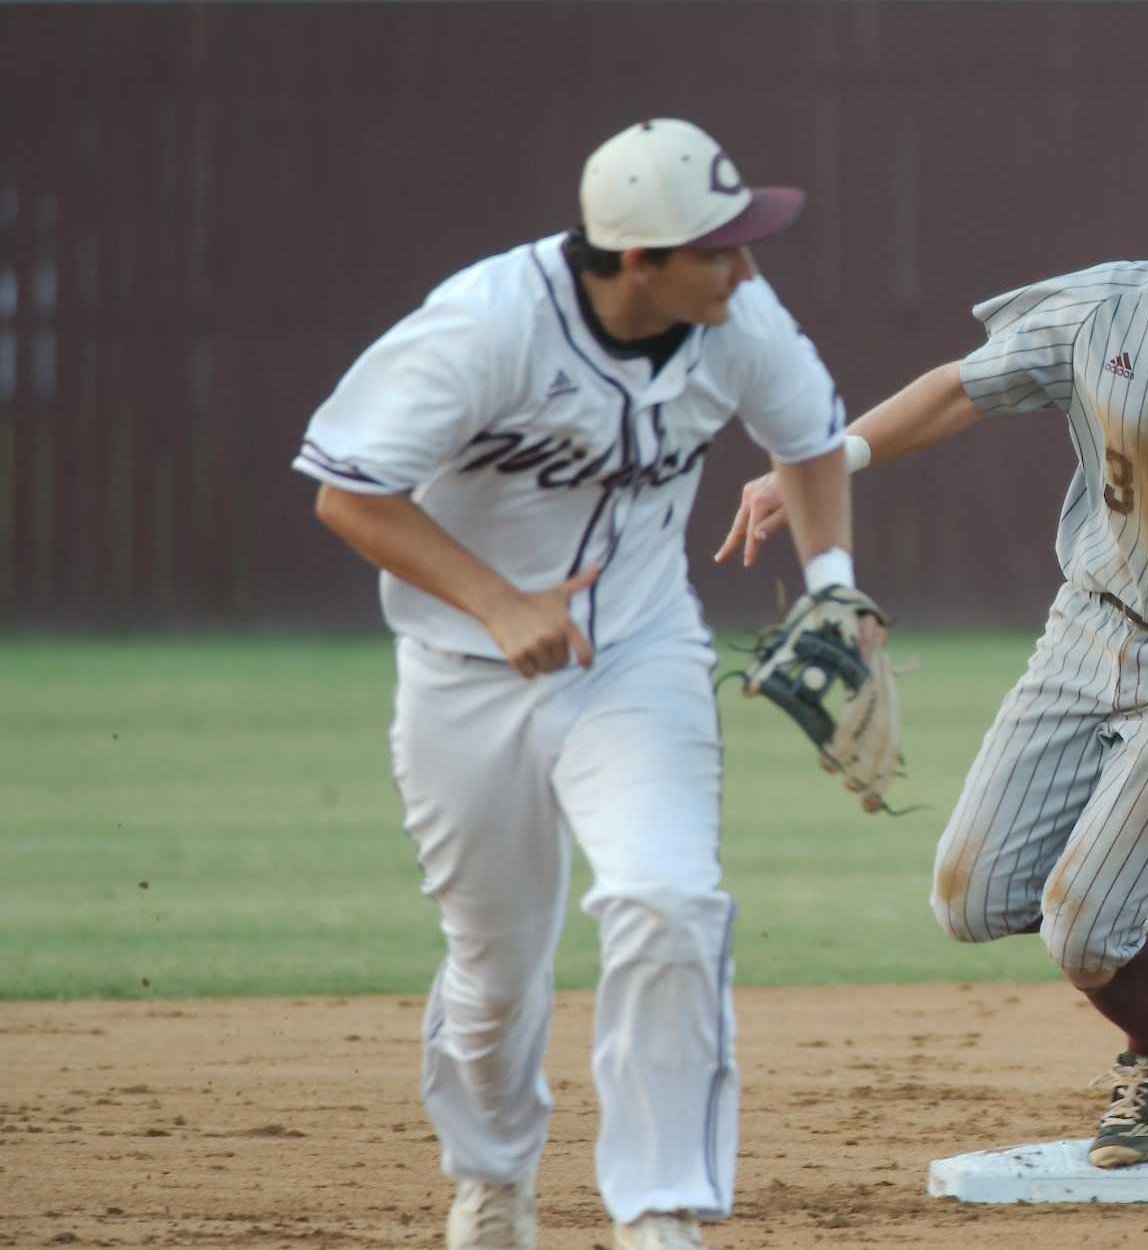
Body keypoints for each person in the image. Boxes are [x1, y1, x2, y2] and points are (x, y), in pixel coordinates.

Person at [717, 83, 1148, 1167]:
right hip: (1087, 629)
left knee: (1084, 927)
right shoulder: (1106, 308)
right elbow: (962, 388)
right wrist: (826, 462)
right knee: (970, 898)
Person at [295, 119, 867, 1250]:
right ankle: (492, 1176)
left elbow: (810, 438)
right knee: (495, 972)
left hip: (640, 658)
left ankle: (661, 1212)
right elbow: (346, 491)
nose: (747, 267)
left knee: (668, 899)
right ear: (638, 260)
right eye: (719, 249)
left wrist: (835, 582)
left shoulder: (735, 319)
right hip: (465, 675)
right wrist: (500, 604)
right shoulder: (485, 325)